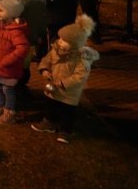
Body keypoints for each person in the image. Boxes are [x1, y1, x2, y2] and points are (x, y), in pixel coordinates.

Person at [31, 14, 100, 144]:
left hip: (69, 92)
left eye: (64, 40)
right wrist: (44, 70)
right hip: (53, 87)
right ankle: (49, 123)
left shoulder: (81, 59)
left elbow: (80, 76)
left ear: (74, 44)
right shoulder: (55, 50)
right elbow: (46, 60)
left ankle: (65, 130)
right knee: (50, 105)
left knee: (67, 111)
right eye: (60, 38)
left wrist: (64, 83)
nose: (60, 41)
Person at [5, 0, 49, 96]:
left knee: (25, 63)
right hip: (14, 35)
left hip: (29, 35)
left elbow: (40, 17)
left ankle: (20, 86)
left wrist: (39, 34)